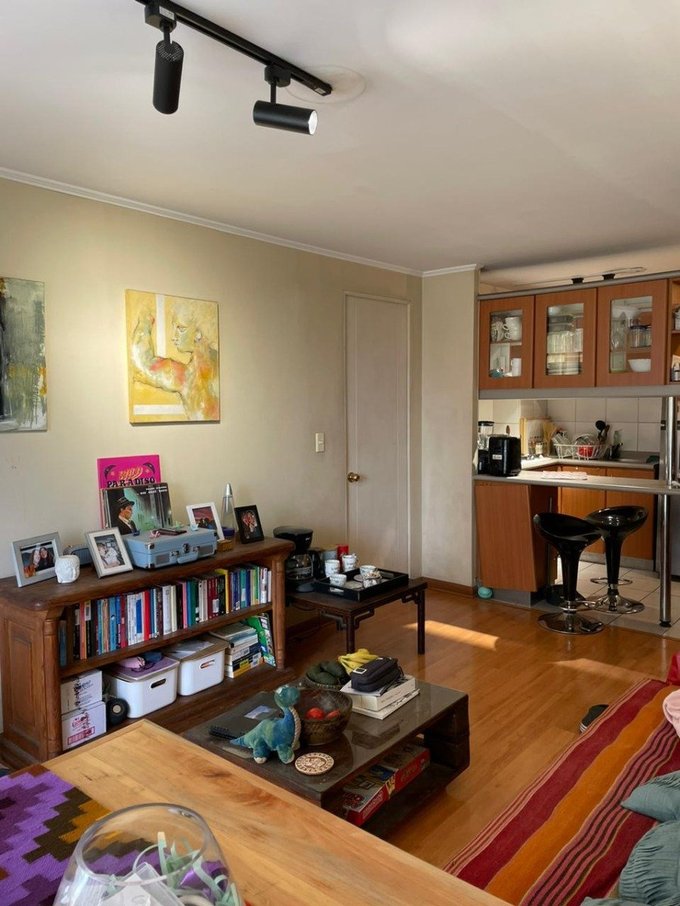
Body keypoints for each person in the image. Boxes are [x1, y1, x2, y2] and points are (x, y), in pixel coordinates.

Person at [130, 304, 219, 421]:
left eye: (181, 329)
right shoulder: (220, 364)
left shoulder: (189, 377)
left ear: (198, 333)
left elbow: (142, 365)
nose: (173, 337)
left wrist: (144, 321)